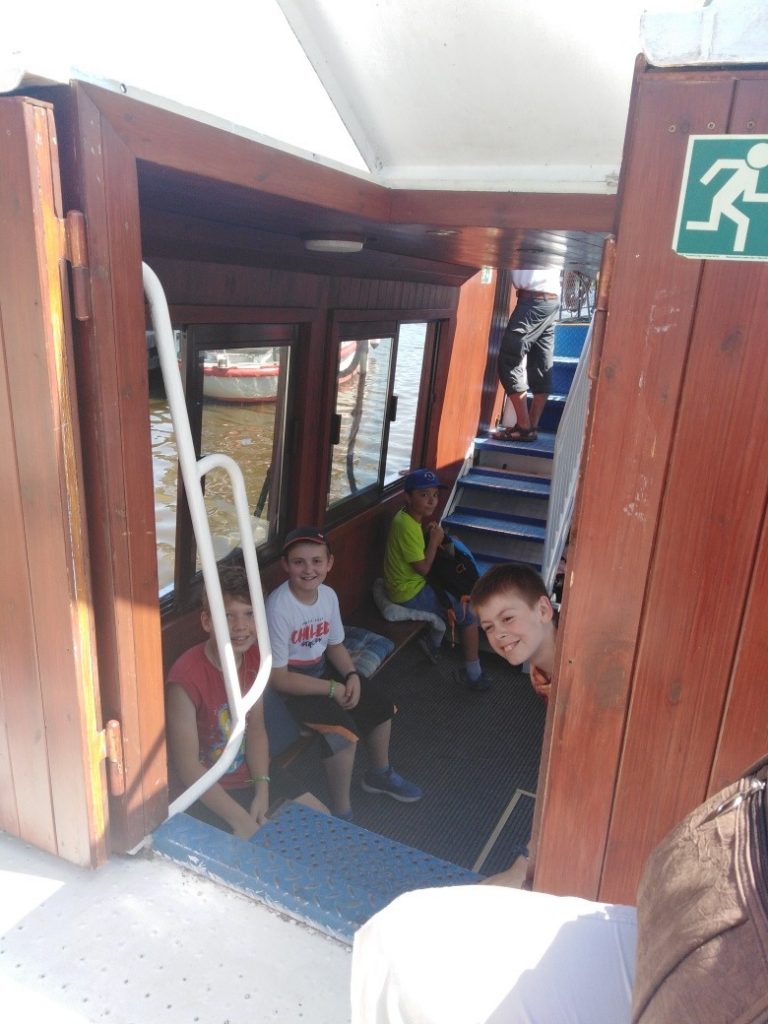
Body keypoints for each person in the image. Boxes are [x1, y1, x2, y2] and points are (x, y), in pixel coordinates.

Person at [266, 525, 422, 820]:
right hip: (291, 689)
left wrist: (351, 675)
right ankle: (341, 812)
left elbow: (335, 645)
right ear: (286, 565)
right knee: (343, 735)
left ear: (329, 563)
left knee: (381, 706)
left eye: (317, 561)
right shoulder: (279, 607)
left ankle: (378, 774)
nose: (308, 570)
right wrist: (331, 689)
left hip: (322, 672)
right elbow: (279, 679)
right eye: (299, 562)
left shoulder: (327, 596)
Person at [165, 565, 273, 839]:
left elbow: (256, 729)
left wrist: (262, 789)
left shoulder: (256, 657)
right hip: (204, 789)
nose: (240, 626)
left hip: (248, 775)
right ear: (207, 622)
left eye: (250, 614)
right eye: (228, 616)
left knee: (317, 814)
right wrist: (241, 820)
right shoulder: (185, 678)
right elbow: (188, 767)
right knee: (256, 850)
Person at [382, 468, 492, 691]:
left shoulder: (409, 518)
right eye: (424, 495)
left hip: (412, 583)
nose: (432, 500)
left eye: (434, 495)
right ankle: (473, 675)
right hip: (407, 591)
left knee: (456, 592)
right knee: (468, 614)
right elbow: (423, 568)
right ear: (408, 497)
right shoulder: (405, 525)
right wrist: (434, 541)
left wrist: (429, 535)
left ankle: (432, 644)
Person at [470, 562, 557, 702]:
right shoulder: (537, 674)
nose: (498, 635)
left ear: (543, 611)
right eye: (489, 627)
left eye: (507, 618)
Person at [494, 267, 561, 442]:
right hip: (551, 301)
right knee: (541, 364)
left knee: (508, 361)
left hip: (533, 302)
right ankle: (531, 426)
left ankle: (524, 427)